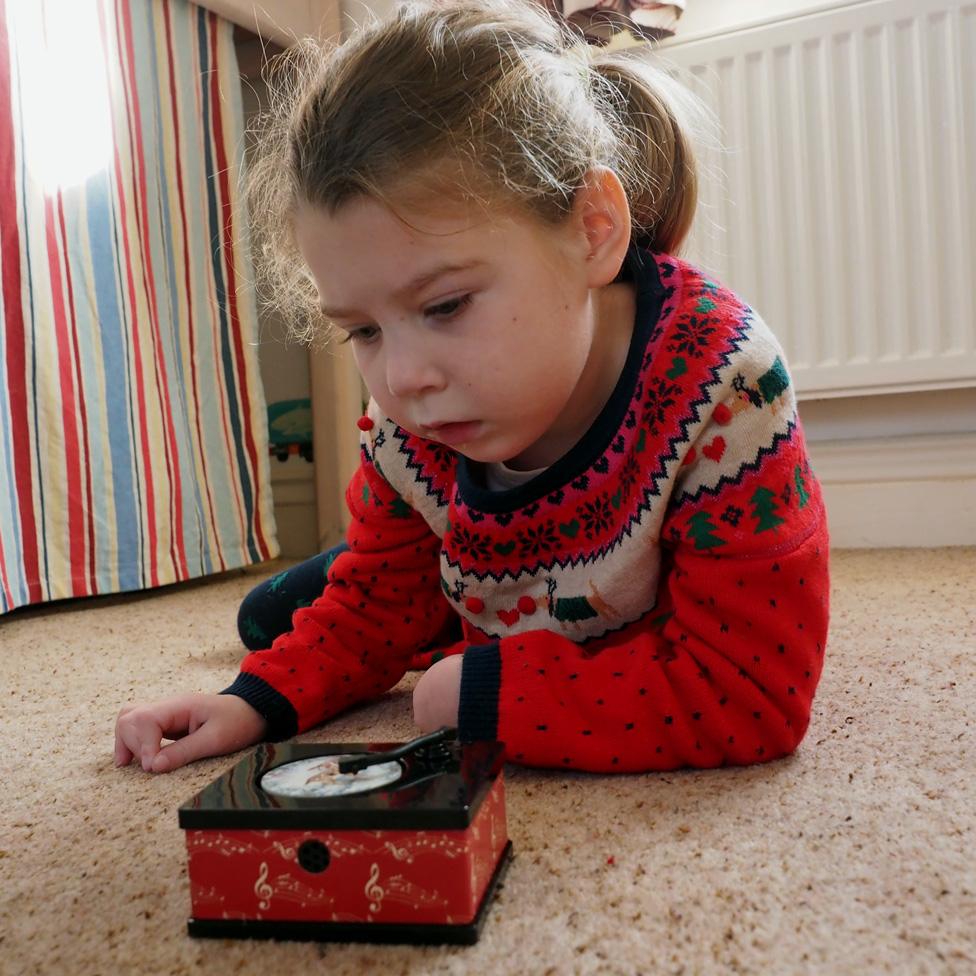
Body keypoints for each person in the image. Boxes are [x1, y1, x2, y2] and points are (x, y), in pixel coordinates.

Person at [114, 0, 829, 776]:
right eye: (364, 331)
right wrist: (249, 702)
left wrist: (487, 696)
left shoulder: (727, 385)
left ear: (593, 229)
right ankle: (380, 592)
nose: (401, 378)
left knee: (339, 626)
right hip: (490, 574)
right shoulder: (414, 415)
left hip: (550, 591)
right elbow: (374, 605)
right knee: (276, 621)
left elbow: (752, 692)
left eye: (446, 306)